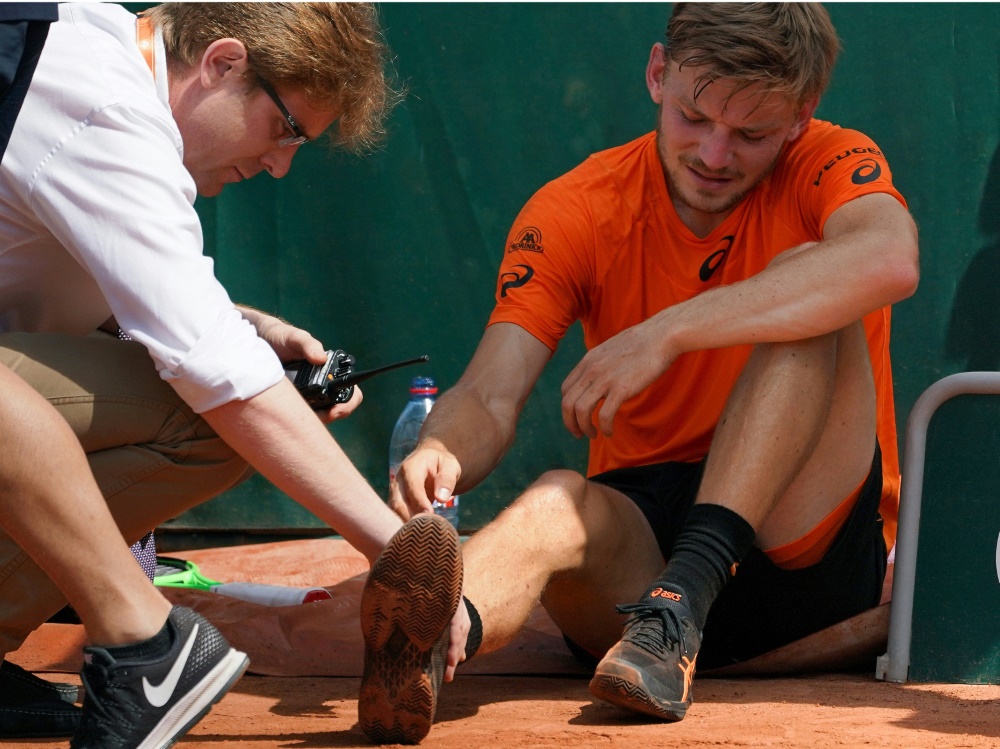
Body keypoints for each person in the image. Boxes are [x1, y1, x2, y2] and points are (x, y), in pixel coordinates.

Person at [365, 2, 920, 742]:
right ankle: (431, 641)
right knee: (554, 499)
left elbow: (888, 258)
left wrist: (668, 332)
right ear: (658, 74)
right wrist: (443, 451)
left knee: (814, 287)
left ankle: (682, 603)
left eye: (751, 133)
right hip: (638, 573)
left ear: (799, 116)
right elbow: (491, 392)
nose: (716, 155)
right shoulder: (576, 207)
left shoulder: (831, 157)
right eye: (695, 117)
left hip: (801, 549)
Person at [0, 2, 417, 745]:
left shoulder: (91, 55)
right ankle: (143, 643)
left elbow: (81, 289)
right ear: (222, 64)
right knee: (227, 401)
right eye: (287, 128)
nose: (280, 163)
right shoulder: (100, 102)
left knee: (220, 412)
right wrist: (396, 551)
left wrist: (248, 326)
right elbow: (217, 370)